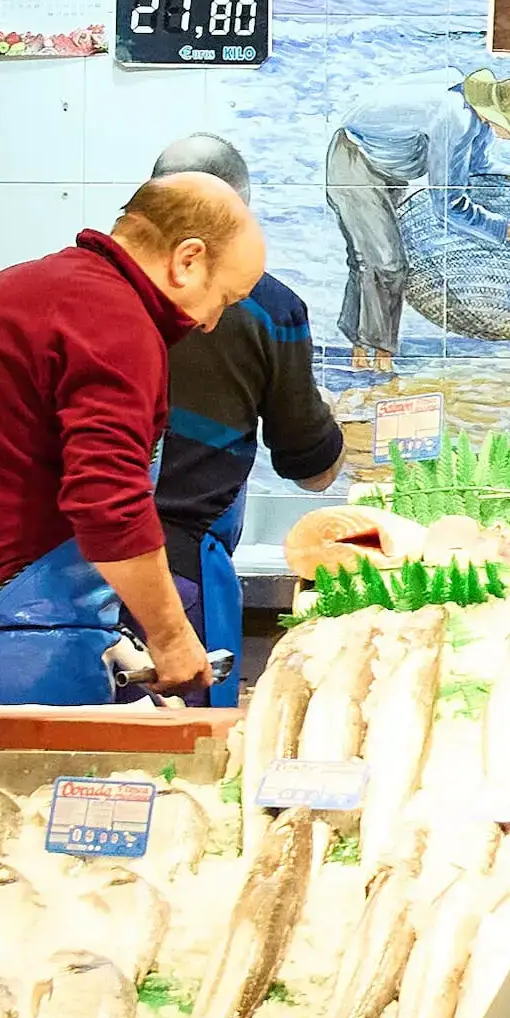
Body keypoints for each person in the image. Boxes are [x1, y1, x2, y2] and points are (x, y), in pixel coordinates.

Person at [0, 174, 263, 705]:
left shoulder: (44, 287)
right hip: (6, 646)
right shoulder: (112, 320)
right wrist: (173, 640)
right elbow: (109, 504)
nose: (210, 323)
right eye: (225, 298)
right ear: (188, 259)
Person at [133, 132, 346, 646]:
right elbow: (314, 472)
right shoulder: (268, 308)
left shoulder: (90, 288)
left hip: (63, 565)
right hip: (178, 573)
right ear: (241, 214)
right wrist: (329, 418)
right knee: (185, 723)